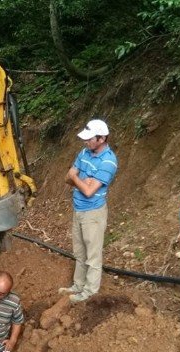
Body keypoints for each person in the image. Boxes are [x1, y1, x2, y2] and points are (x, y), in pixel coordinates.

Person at [59, 119, 118, 303]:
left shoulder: (108, 161)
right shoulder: (84, 152)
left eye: (90, 139)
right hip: (78, 209)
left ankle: (90, 292)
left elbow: (89, 191)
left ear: (101, 139)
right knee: (79, 252)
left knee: (93, 255)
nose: (85, 142)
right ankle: (78, 286)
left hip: (93, 213)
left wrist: (76, 176)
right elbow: (68, 178)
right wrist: (80, 179)